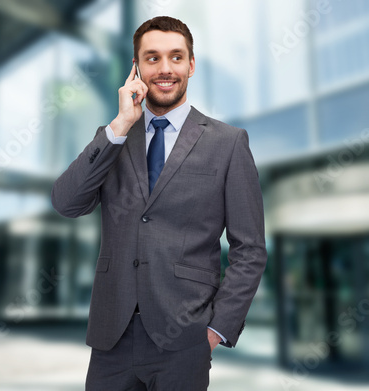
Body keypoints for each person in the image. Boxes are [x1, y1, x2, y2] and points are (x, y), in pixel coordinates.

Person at [51, 15, 267, 391]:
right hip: (111, 337)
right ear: (136, 68)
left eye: (176, 57)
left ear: (191, 65)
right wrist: (118, 126)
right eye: (152, 58)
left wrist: (216, 330)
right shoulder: (114, 138)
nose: (165, 69)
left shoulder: (228, 143)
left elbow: (250, 248)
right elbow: (67, 203)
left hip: (185, 338)